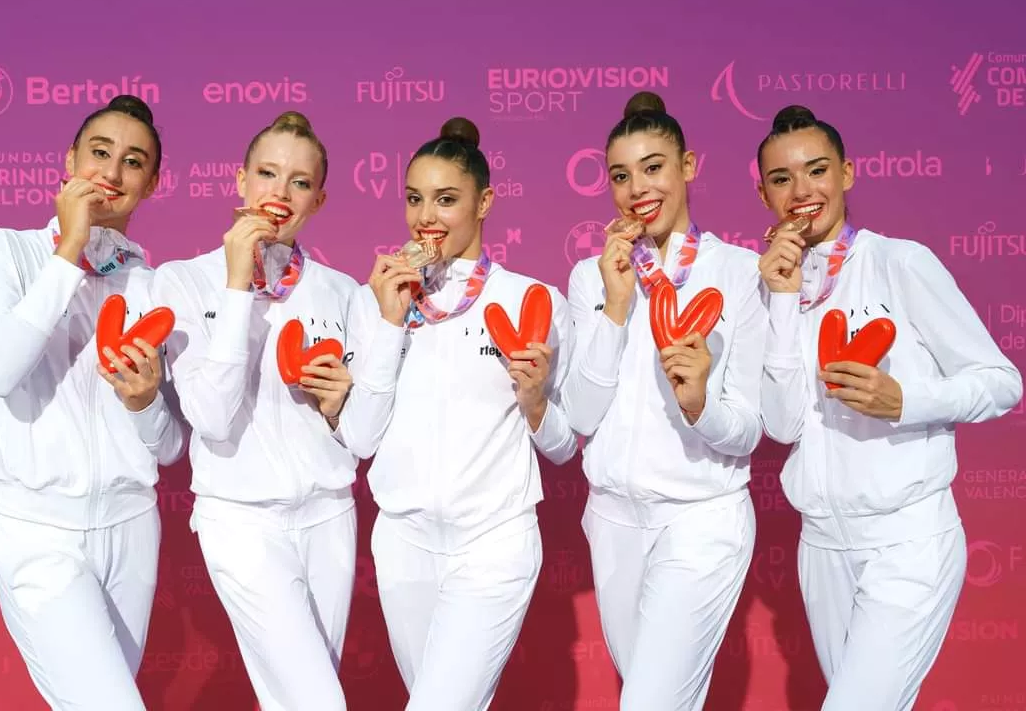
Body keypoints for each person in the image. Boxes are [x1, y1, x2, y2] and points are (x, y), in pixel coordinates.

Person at [756, 104, 1023, 710]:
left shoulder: (900, 262)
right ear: (763, 193)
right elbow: (782, 424)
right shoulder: (770, 280)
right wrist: (777, 301)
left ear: (847, 174)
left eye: (817, 170)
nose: (802, 191)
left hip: (908, 542)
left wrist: (906, 399)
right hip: (821, 548)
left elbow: (1001, 381)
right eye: (781, 179)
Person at [337, 116, 577, 711]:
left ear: (485, 202)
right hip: (403, 545)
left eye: (447, 200)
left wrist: (535, 401)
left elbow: (564, 445)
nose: (427, 217)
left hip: (493, 542)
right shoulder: (377, 300)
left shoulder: (531, 299)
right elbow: (361, 438)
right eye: (415, 198)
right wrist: (388, 321)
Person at [0, 95, 184, 710]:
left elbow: (168, 447)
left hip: (131, 530)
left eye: (133, 162)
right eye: (99, 153)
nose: (111, 174)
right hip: (39, 533)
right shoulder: (10, 250)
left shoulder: (150, 284)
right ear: (69, 160)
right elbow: (0, 370)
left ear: (152, 183)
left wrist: (144, 402)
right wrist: (68, 252)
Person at [561, 91, 765, 709]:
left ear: (688, 166)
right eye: (621, 175)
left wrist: (700, 401)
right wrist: (616, 307)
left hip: (700, 518)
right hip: (614, 522)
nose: (636, 188)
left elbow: (753, 429)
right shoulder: (589, 276)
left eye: (654, 167)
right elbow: (580, 417)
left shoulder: (740, 273)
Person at [152, 112, 357, 711]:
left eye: (298, 182)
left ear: (318, 199)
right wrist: (238, 286)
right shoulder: (185, 282)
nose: (279, 193)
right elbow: (211, 417)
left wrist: (343, 399)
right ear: (239, 181)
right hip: (240, 523)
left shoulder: (342, 292)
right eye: (267, 173)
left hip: (329, 518)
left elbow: (361, 427)